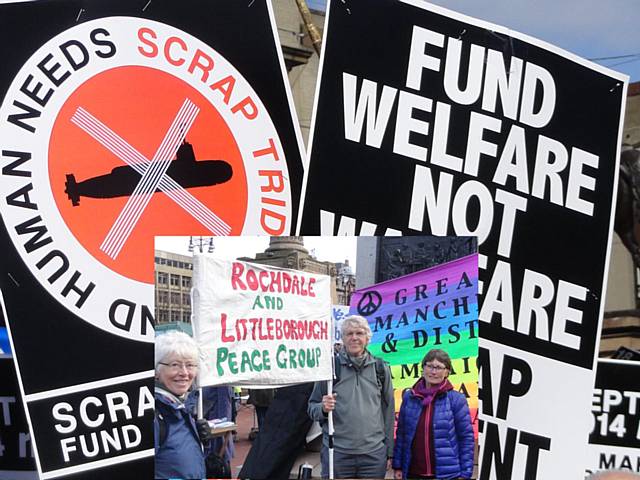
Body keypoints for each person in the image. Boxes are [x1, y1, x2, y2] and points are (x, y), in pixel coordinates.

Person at [308, 315, 395, 479]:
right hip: (337, 453)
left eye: (359, 333)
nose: (354, 338)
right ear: (342, 338)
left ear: (367, 338)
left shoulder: (380, 368)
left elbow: (389, 410)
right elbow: (312, 408)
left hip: (373, 455)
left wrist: (389, 450)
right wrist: (323, 408)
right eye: (349, 334)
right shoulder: (330, 369)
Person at [393, 349, 474, 480]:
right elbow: (402, 434)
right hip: (413, 473)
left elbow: (466, 438)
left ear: (447, 372)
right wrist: (398, 466)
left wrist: (465, 473)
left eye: (439, 367)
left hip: (447, 475)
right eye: (430, 366)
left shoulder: (456, 399)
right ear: (423, 368)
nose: (433, 371)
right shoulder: (410, 397)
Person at [154, 331, 207, 479]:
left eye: (190, 365)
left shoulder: (182, 407)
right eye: (175, 365)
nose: (184, 373)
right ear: (156, 371)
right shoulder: (154, 414)